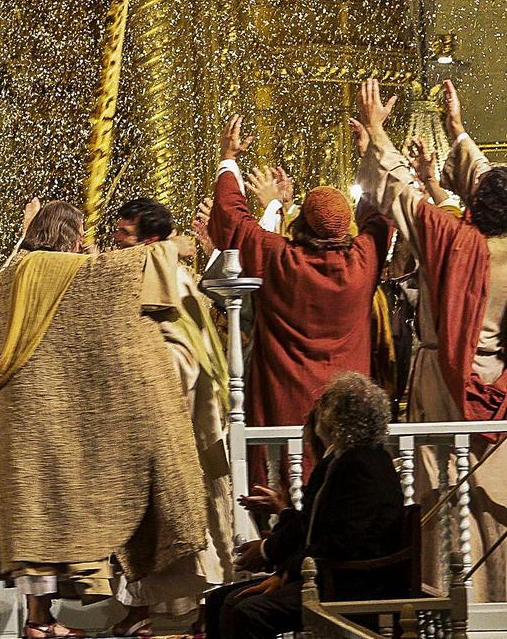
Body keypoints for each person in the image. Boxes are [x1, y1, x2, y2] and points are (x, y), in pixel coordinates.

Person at [0, 200, 207, 638]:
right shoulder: (67, 274)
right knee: (75, 513)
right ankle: (107, 616)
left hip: (14, 424)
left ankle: (38, 621)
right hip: (54, 419)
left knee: (32, 525)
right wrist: (173, 248)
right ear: (71, 237)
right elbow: (124, 275)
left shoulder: (6, 277)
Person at [357, 78, 507, 600]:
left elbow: (402, 195)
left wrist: (378, 132)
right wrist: (460, 133)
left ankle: (445, 598)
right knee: (492, 497)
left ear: (474, 206)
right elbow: (490, 186)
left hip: (446, 382)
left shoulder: (457, 243)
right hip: (499, 384)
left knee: (443, 489)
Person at [208, 116, 392, 486]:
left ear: (301, 224)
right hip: (345, 411)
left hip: (285, 404)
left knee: (285, 490)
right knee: (344, 486)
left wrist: (228, 159)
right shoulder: (362, 261)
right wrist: (367, 159)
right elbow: (378, 219)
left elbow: (233, 219)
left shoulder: (282, 259)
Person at [108, 198, 235, 637]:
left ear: (152, 241)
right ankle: (139, 606)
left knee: (179, 515)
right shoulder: (139, 274)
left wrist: (139, 369)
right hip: (141, 417)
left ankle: (195, 608)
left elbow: (184, 352)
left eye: (124, 234)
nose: (115, 240)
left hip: (176, 417)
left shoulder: (172, 280)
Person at [205, 372, 406, 638]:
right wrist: (283, 514)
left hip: (350, 582)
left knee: (244, 610)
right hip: (332, 573)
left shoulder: (361, 465)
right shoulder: (345, 460)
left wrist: (287, 571)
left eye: (323, 406)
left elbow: (342, 541)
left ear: (336, 417)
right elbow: (317, 525)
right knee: (220, 600)